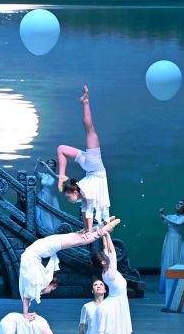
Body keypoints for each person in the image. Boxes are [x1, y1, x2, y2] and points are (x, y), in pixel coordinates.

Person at [18, 217, 121, 319]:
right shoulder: (33, 277)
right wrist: (26, 311)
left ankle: (105, 228)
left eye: (51, 289)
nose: (49, 292)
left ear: (49, 283)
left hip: (46, 246)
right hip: (44, 245)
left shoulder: (35, 281)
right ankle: (101, 225)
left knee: (81, 240)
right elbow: (27, 295)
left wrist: (25, 313)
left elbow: (27, 295)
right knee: (78, 236)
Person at [56, 85, 111, 234]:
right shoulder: (85, 191)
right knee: (89, 131)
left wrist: (87, 231)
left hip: (91, 165)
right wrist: (87, 231)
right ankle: (85, 102)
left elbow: (87, 212)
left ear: (75, 193)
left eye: (69, 198)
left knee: (86, 133)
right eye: (68, 198)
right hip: (92, 167)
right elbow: (87, 212)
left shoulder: (84, 190)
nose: (69, 200)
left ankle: (62, 176)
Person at [93, 230, 133, 334]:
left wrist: (104, 233)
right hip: (116, 305)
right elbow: (111, 252)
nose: (108, 255)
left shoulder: (105, 272)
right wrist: (107, 233)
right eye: (105, 258)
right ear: (103, 262)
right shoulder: (111, 272)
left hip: (111, 303)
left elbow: (107, 250)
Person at [158, 200, 184, 293]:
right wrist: (161, 214)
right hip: (169, 239)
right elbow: (164, 220)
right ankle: (166, 286)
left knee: (176, 259)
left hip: (177, 241)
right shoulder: (171, 216)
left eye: (181, 204)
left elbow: (176, 223)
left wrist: (164, 216)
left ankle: (177, 286)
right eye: (178, 203)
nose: (178, 205)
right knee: (167, 260)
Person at [35, 159, 62, 233]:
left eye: (51, 163)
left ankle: (53, 231)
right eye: (48, 163)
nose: (49, 164)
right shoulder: (43, 176)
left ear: (55, 166)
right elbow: (35, 172)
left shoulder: (57, 176)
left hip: (52, 199)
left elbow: (52, 174)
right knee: (43, 215)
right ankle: (43, 230)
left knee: (53, 215)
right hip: (42, 197)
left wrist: (45, 165)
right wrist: (38, 164)